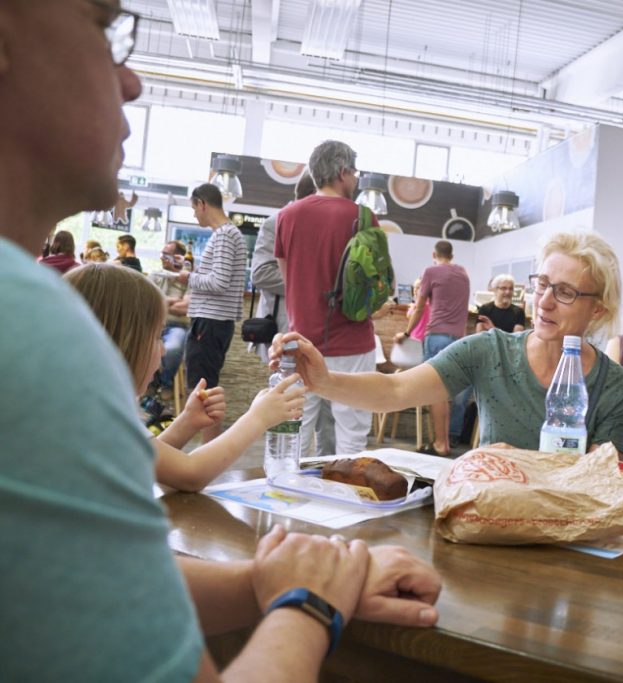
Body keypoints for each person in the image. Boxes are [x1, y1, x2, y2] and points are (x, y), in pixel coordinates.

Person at [0, 3, 440, 680]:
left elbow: (89, 576)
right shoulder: (33, 328)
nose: (133, 82)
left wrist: (267, 580)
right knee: (349, 443)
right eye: (106, 29)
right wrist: (309, 603)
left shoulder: (281, 218)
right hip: (348, 340)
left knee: (314, 441)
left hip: (297, 336)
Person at [274, 232, 623, 456]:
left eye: (566, 293)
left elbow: (598, 485)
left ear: (598, 309)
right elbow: (395, 389)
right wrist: (323, 381)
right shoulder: (490, 351)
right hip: (488, 524)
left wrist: (520, 463)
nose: (544, 301)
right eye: (542, 284)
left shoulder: (616, 388)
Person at [67, 262, 307, 491]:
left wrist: (187, 423)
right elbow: (191, 474)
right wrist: (258, 418)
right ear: (124, 344)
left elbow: (144, 460)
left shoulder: (80, 406)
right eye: (157, 337)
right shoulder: (99, 418)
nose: (163, 349)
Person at [276, 140, 377, 456]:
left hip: (301, 339)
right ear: (343, 172)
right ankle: (344, 497)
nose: (357, 180)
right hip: (353, 343)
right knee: (352, 431)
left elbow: (287, 276)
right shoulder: (363, 217)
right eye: (355, 172)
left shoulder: (287, 216)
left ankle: (292, 497)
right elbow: (374, 286)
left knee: (298, 425)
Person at [252, 170, 337, 456]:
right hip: (288, 333)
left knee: (329, 415)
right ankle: (285, 477)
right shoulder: (276, 222)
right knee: (291, 412)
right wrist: (313, 283)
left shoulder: (330, 228)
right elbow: (261, 273)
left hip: (327, 336)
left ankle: (328, 472)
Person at [180, 182, 247, 442]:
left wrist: (189, 278)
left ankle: (204, 457)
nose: (195, 215)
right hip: (215, 322)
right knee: (205, 391)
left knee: (202, 394)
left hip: (209, 323)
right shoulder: (228, 234)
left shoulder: (224, 235)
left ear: (202, 203)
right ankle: (204, 455)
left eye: (194, 209)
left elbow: (218, 282)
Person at [394, 240, 471, 456]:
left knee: (436, 391)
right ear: (452, 255)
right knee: (446, 391)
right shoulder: (463, 275)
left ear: (433, 254)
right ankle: (444, 440)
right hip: (457, 339)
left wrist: (406, 334)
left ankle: (440, 444)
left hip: (436, 336)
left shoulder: (431, 271)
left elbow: (419, 308)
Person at [148, 239, 190, 397]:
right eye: (161, 254)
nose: (161, 258)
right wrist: (172, 302)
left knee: (172, 348)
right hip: (152, 325)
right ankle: (152, 380)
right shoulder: (155, 275)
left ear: (177, 257)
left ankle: (165, 382)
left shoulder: (189, 280)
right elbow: (145, 301)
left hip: (177, 326)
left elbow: (185, 309)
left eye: (166, 255)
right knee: (138, 346)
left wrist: (159, 302)